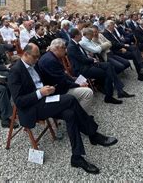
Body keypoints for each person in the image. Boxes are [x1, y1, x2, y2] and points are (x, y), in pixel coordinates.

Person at [7, 43, 118, 174]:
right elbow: (19, 101)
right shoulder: (15, 71)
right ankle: (92, 134)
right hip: (33, 108)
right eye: (35, 57)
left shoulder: (33, 64)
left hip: (45, 99)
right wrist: (40, 93)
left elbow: (41, 82)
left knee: (70, 114)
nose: (37, 59)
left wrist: (50, 87)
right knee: (70, 99)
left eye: (38, 57)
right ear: (25, 54)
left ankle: (76, 157)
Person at [67, 28, 124, 104]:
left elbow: (83, 56)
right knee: (107, 73)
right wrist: (92, 60)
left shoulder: (76, 43)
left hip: (88, 64)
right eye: (80, 34)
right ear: (76, 36)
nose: (82, 35)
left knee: (108, 65)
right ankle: (109, 96)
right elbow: (81, 59)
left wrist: (91, 58)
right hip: (82, 69)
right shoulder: (71, 46)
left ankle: (117, 90)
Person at [38, 38, 94, 112]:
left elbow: (62, 76)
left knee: (81, 81)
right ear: (58, 48)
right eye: (64, 48)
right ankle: (80, 117)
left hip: (57, 86)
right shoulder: (51, 60)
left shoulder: (50, 56)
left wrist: (75, 80)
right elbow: (61, 82)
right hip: (55, 91)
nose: (66, 51)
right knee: (88, 92)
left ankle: (78, 113)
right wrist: (78, 85)